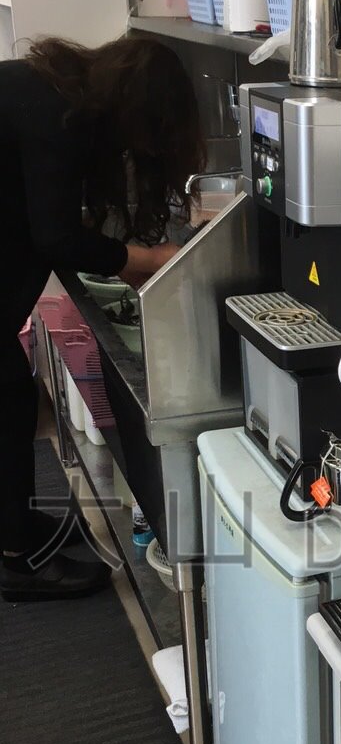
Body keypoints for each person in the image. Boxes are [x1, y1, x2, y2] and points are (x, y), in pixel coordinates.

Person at [0, 36, 205, 602]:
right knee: (7, 399)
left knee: (12, 398)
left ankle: (14, 527)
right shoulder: (56, 116)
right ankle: (18, 563)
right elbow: (57, 237)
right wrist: (147, 261)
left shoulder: (52, 91)